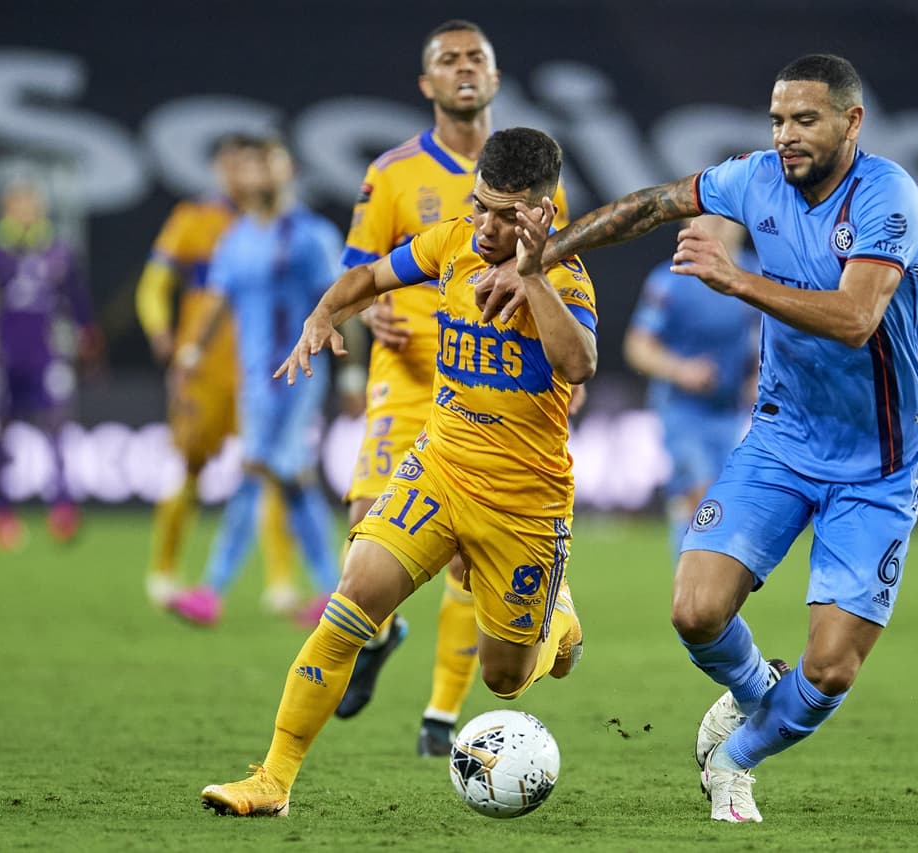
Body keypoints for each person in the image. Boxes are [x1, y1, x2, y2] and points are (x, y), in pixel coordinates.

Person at [478, 54, 918, 823]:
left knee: (830, 667)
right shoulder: (754, 178)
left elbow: (857, 318)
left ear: (852, 122)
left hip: (875, 463)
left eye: (805, 120)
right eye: (778, 119)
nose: (786, 135)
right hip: (781, 440)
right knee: (694, 609)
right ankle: (756, 692)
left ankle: (734, 758)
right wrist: (539, 260)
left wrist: (734, 279)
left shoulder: (888, 197)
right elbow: (651, 205)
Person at [199, 127, 593, 817]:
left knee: (504, 678)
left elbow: (580, 362)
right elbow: (371, 276)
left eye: (506, 216)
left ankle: (558, 622)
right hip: (438, 469)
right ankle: (272, 780)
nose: (486, 227)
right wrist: (325, 313)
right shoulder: (451, 243)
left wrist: (531, 275)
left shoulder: (566, 278)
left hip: (522, 503)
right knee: (349, 606)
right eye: (480, 206)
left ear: (543, 211)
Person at [332, 18, 574, 756]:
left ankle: (440, 714)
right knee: (365, 531)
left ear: (495, 77)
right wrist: (367, 313)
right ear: (427, 82)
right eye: (448, 59)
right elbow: (358, 266)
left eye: (476, 58)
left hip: (493, 391)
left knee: (472, 559)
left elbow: (559, 277)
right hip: (407, 376)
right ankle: (382, 633)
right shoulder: (393, 172)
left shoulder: (533, 177)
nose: (464, 68)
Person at [166, 136, 344, 626]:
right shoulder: (236, 238)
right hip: (254, 380)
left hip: (299, 376)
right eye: (248, 167)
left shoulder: (311, 235)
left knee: (255, 468)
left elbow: (340, 301)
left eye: (267, 165)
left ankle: (212, 589)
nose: (256, 175)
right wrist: (192, 352)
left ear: (288, 172)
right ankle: (334, 591)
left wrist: (352, 373)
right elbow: (218, 301)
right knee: (293, 479)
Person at [136, 134, 308, 615]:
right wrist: (160, 330)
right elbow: (154, 284)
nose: (242, 176)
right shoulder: (194, 219)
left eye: (250, 166)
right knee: (189, 467)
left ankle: (281, 583)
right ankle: (164, 570)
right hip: (206, 373)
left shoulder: (288, 227)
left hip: (265, 371)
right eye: (233, 166)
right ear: (218, 171)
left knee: (273, 471)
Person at [0, 172, 101, 549]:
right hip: (2, 355)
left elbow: (78, 298)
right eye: (20, 205)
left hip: (44, 354)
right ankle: (1, 513)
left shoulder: (57, 251)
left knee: (57, 426)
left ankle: (62, 506)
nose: (27, 212)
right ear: (7, 209)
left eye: (32, 205)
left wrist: (89, 334)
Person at [624, 215, 759, 555]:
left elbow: (765, 340)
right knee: (701, 496)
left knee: (724, 506)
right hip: (681, 411)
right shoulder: (671, 280)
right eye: (707, 218)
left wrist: (757, 378)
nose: (718, 226)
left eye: (725, 218)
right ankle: (693, 582)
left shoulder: (754, 276)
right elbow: (638, 347)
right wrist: (681, 369)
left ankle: (707, 582)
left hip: (730, 412)